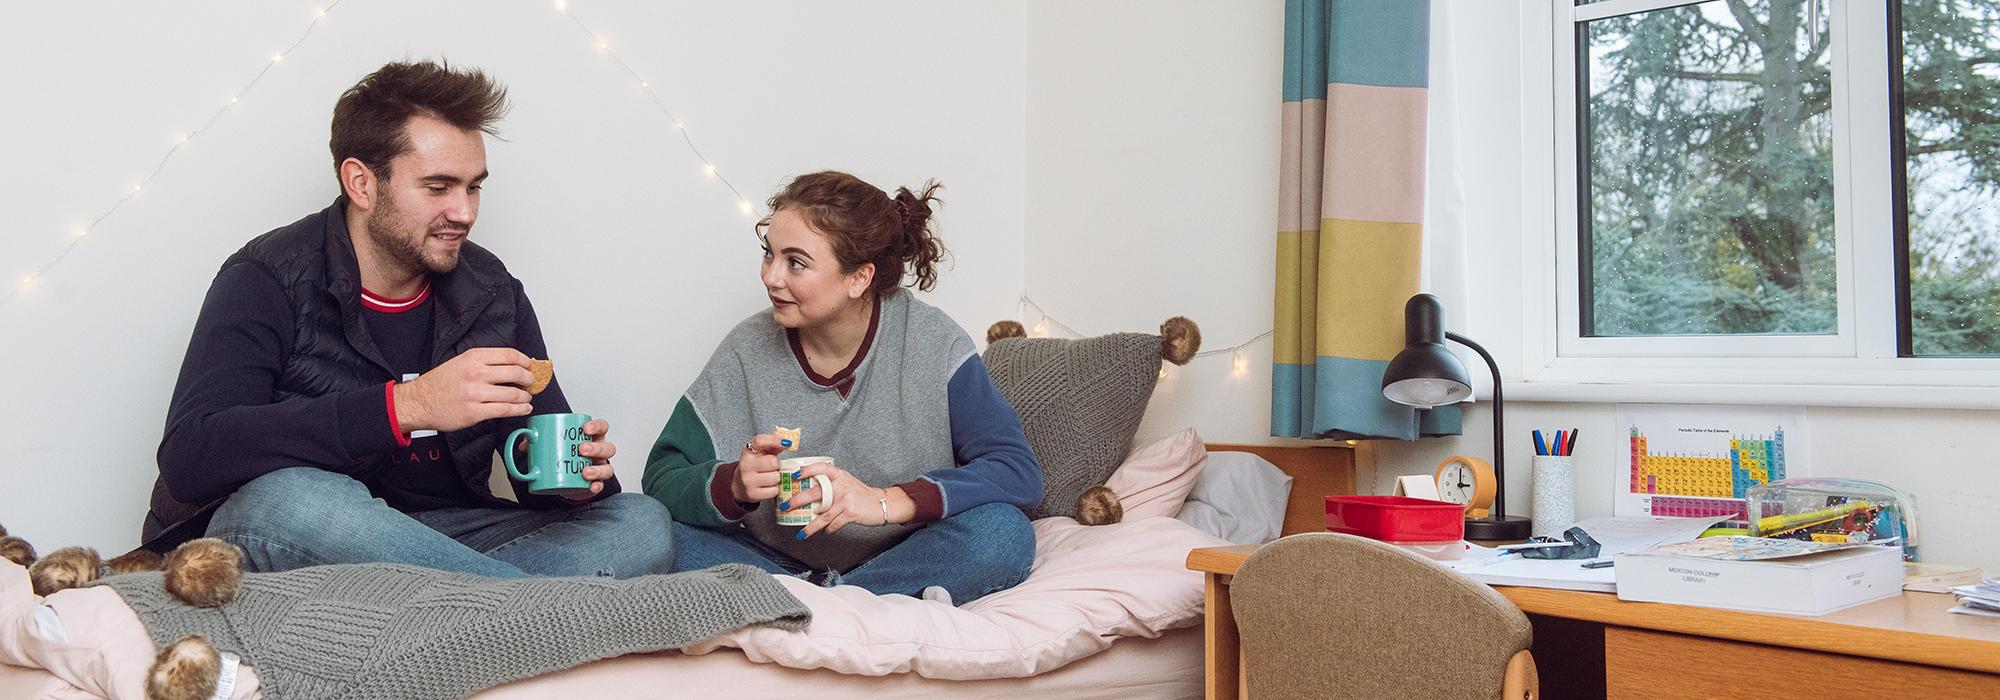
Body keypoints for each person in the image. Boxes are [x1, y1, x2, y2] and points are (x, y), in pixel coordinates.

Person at [139, 59, 674, 578]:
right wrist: (408, 406)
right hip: (307, 527)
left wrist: (576, 482)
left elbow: (538, 464)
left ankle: (473, 612)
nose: (464, 212)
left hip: (442, 537)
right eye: (439, 187)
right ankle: (526, 610)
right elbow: (192, 455)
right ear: (362, 183)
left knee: (638, 521)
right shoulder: (266, 277)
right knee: (292, 499)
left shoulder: (493, 293)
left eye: (474, 186)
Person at [642, 172, 1042, 605]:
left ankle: (808, 607)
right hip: (776, 564)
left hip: (905, 556)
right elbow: (662, 476)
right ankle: (841, 605)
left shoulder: (933, 342)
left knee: (1003, 532)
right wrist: (732, 486)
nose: (771, 277)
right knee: (648, 529)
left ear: (859, 278)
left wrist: (887, 501)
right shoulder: (745, 349)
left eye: (795, 262)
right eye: (769, 254)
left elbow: (1016, 471)